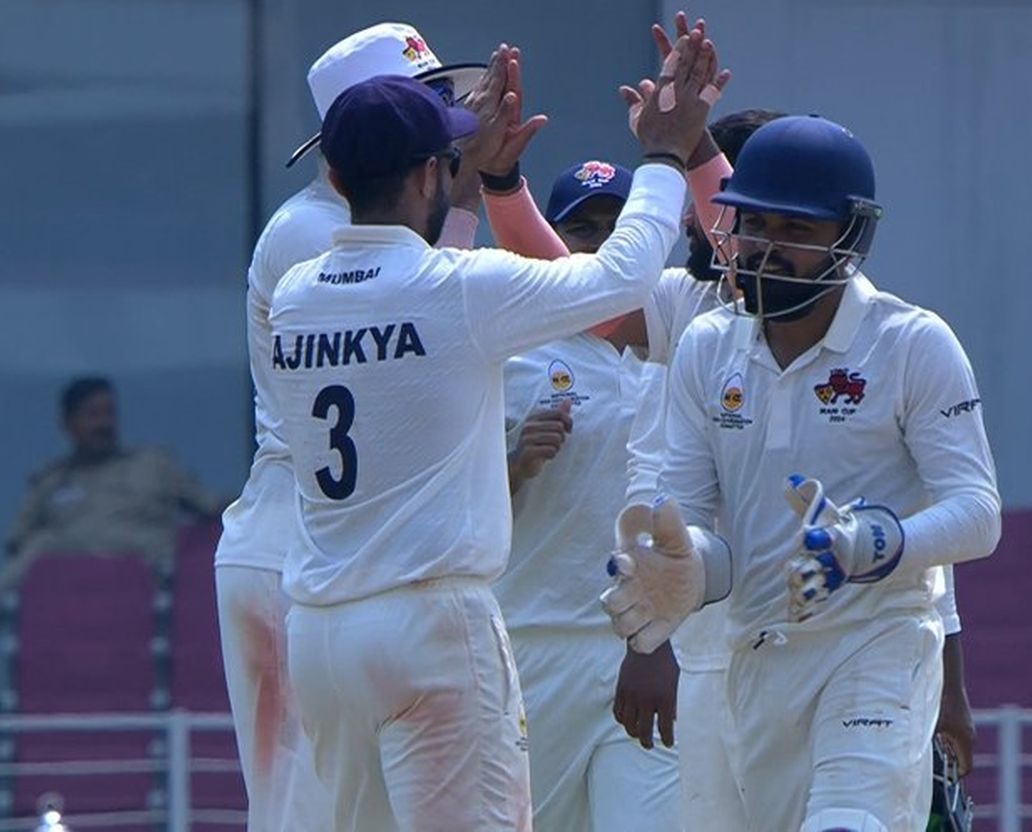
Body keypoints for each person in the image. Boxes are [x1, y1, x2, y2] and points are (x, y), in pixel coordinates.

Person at [269, 27, 722, 831]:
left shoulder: (299, 292)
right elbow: (621, 280)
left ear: (335, 175)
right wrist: (660, 153)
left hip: (322, 632)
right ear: (424, 174)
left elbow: (408, 307)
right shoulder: (458, 291)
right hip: (431, 625)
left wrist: (467, 193)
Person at [601, 113, 1001, 832]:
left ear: (848, 239)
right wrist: (682, 571)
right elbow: (697, 517)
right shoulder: (707, 345)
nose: (764, 251)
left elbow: (978, 512)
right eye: (752, 225)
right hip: (757, 657)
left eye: (795, 232)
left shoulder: (910, 343)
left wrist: (874, 544)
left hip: (877, 644)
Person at [213, 22, 495, 831]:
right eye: (429, 103)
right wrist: (474, 197)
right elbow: (438, 309)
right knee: (301, 812)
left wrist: (474, 195)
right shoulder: (315, 231)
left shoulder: (390, 232)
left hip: (337, 550)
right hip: (293, 544)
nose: (447, 120)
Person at [495, 159, 682, 831]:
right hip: (532, 642)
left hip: (642, 648)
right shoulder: (510, 347)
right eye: (582, 230)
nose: (602, 244)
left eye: (617, 227)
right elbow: (449, 504)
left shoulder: (682, 343)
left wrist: (656, 639)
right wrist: (514, 463)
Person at [4, 376, 226, 588]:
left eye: (109, 413)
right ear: (67, 422)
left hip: (147, 591)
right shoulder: (50, 481)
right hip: (69, 597)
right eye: (92, 414)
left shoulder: (154, 466)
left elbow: (214, 507)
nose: (104, 423)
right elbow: (18, 543)